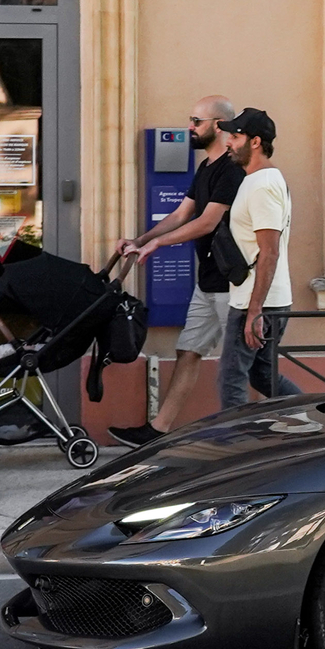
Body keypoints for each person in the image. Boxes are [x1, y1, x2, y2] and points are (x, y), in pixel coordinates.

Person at [105, 95, 243, 445]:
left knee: (250, 367)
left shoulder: (231, 169)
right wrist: (141, 239)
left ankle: (301, 425)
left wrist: (158, 245)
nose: (189, 127)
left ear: (219, 126)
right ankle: (157, 430)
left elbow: (208, 222)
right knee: (188, 351)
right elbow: (182, 215)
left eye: (196, 121)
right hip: (209, 281)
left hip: (235, 284)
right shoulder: (206, 168)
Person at [217, 106, 303, 408]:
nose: (228, 141)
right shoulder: (257, 181)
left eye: (235, 136)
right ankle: (315, 421)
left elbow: (270, 250)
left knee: (231, 378)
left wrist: (254, 312)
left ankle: (236, 447)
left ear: (255, 142)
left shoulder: (264, 185)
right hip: (263, 298)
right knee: (263, 375)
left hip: (256, 302)